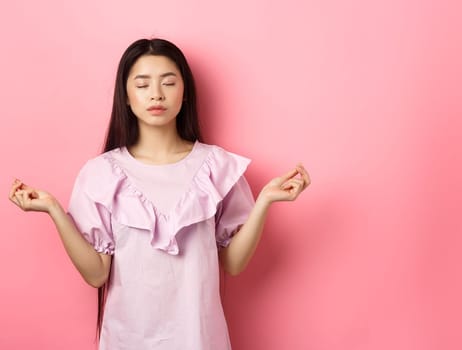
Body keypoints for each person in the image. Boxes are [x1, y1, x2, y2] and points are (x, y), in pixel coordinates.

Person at [7, 38, 311, 349]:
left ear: (185, 92)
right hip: (128, 339)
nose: (156, 94)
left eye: (168, 82)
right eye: (142, 84)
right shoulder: (100, 174)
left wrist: (265, 202)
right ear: (125, 95)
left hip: (199, 338)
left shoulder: (216, 168)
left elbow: (232, 264)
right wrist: (54, 210)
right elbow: (97, 274)